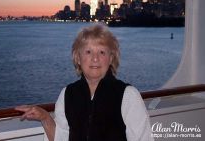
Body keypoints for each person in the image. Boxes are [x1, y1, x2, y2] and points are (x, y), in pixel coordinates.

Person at [15, 24, 153, 141]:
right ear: (78, 58)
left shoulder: (127, 95)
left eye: (102, 52)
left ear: (111, 58)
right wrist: (45, 117)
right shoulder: (68, 94)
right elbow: (62, 138)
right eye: (88, 52)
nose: (95, 59)